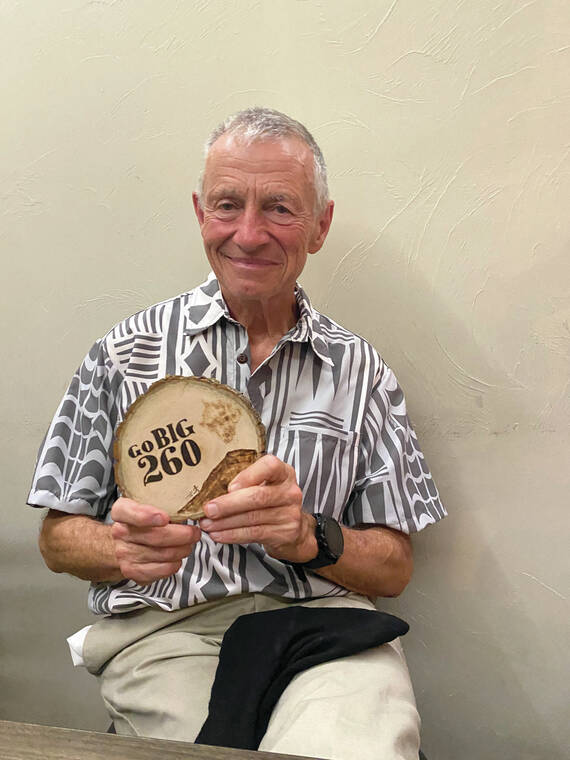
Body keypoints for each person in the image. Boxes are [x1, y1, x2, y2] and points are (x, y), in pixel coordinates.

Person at [28, 107, 446, 760]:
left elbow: (394, 567)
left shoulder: (360, 371)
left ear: (320, 225)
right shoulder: (125, 353)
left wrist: (308, 536)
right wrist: (120, 548)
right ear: (201, 214)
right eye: (228, 205)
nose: (249, 234)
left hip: (326, 630)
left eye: (279, 208)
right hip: (166, 632)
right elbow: (57, 538)